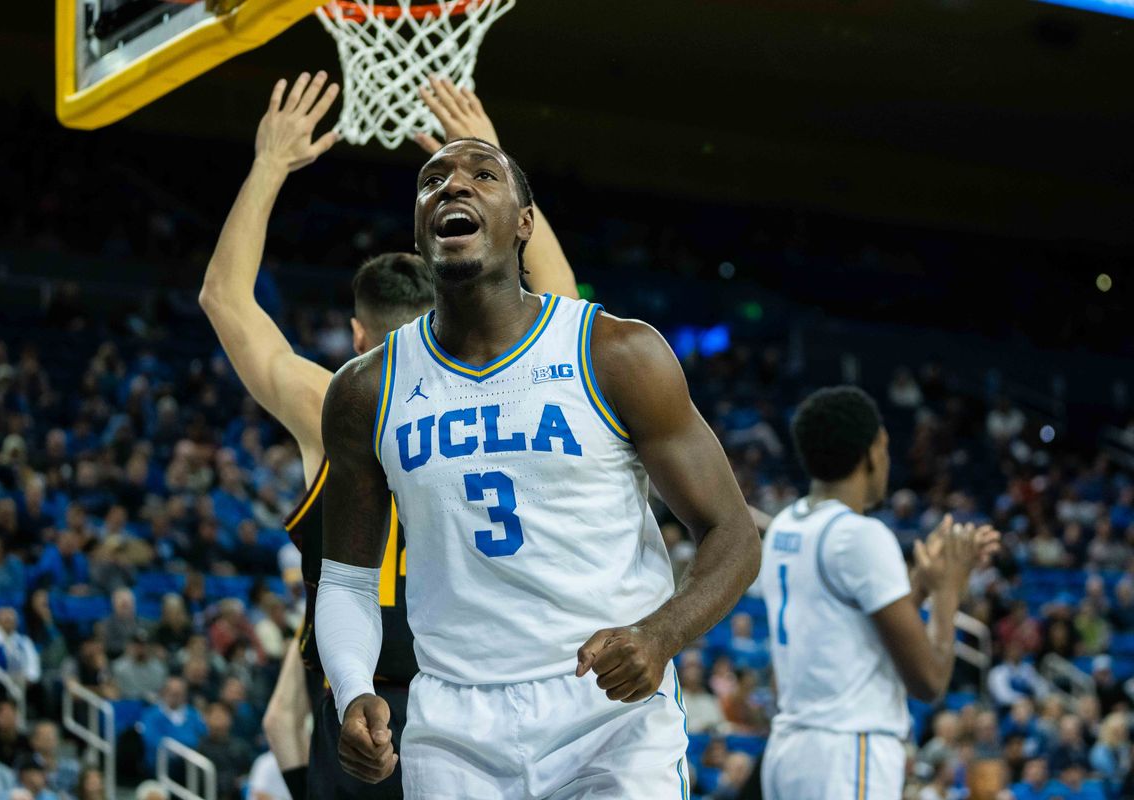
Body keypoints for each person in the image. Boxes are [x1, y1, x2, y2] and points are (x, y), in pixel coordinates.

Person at [314, 122, 763, 794]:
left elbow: (733, 533)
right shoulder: (364, 389)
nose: (453, 185)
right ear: (418, 232)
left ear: (524, 224)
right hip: (453, 724)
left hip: (608, 713)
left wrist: (661, 634)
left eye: (481, 175)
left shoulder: (615, 353)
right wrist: (353, 691)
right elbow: (347, 580)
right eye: (432, 180)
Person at [201, 73, 577, 800]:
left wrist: (271, 163)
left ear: (354, 335)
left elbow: (223, 297)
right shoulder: (502, 388)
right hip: (480, 692)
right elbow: (562, 306)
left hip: (359, 707)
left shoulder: (333, 401)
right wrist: (500, 176)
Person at [759, 386, 998, 800]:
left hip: (790, 752)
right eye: (885, 447)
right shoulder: (861, 536)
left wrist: (922, 583)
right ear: (872, 452)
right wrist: (948, 591)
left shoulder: (786, 524)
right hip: (848, 752)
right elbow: (929, 682)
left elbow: (859, 626)